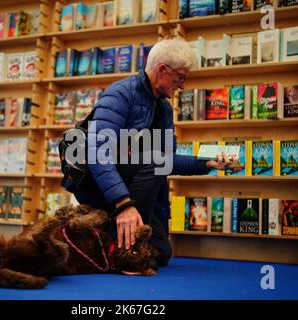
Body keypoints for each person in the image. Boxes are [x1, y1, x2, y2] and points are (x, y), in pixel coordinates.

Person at [66, 38, 238, 267]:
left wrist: (208, 163)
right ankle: (125, 251)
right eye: (181, 77)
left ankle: (116, 241)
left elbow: (165, 161)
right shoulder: (119, 94)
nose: (183, 85)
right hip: (97, 184)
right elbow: (98, 153)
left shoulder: (163, 109)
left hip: (133, 181)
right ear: (161, 70)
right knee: (153, 164)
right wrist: (123, 204)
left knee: (160, 252)